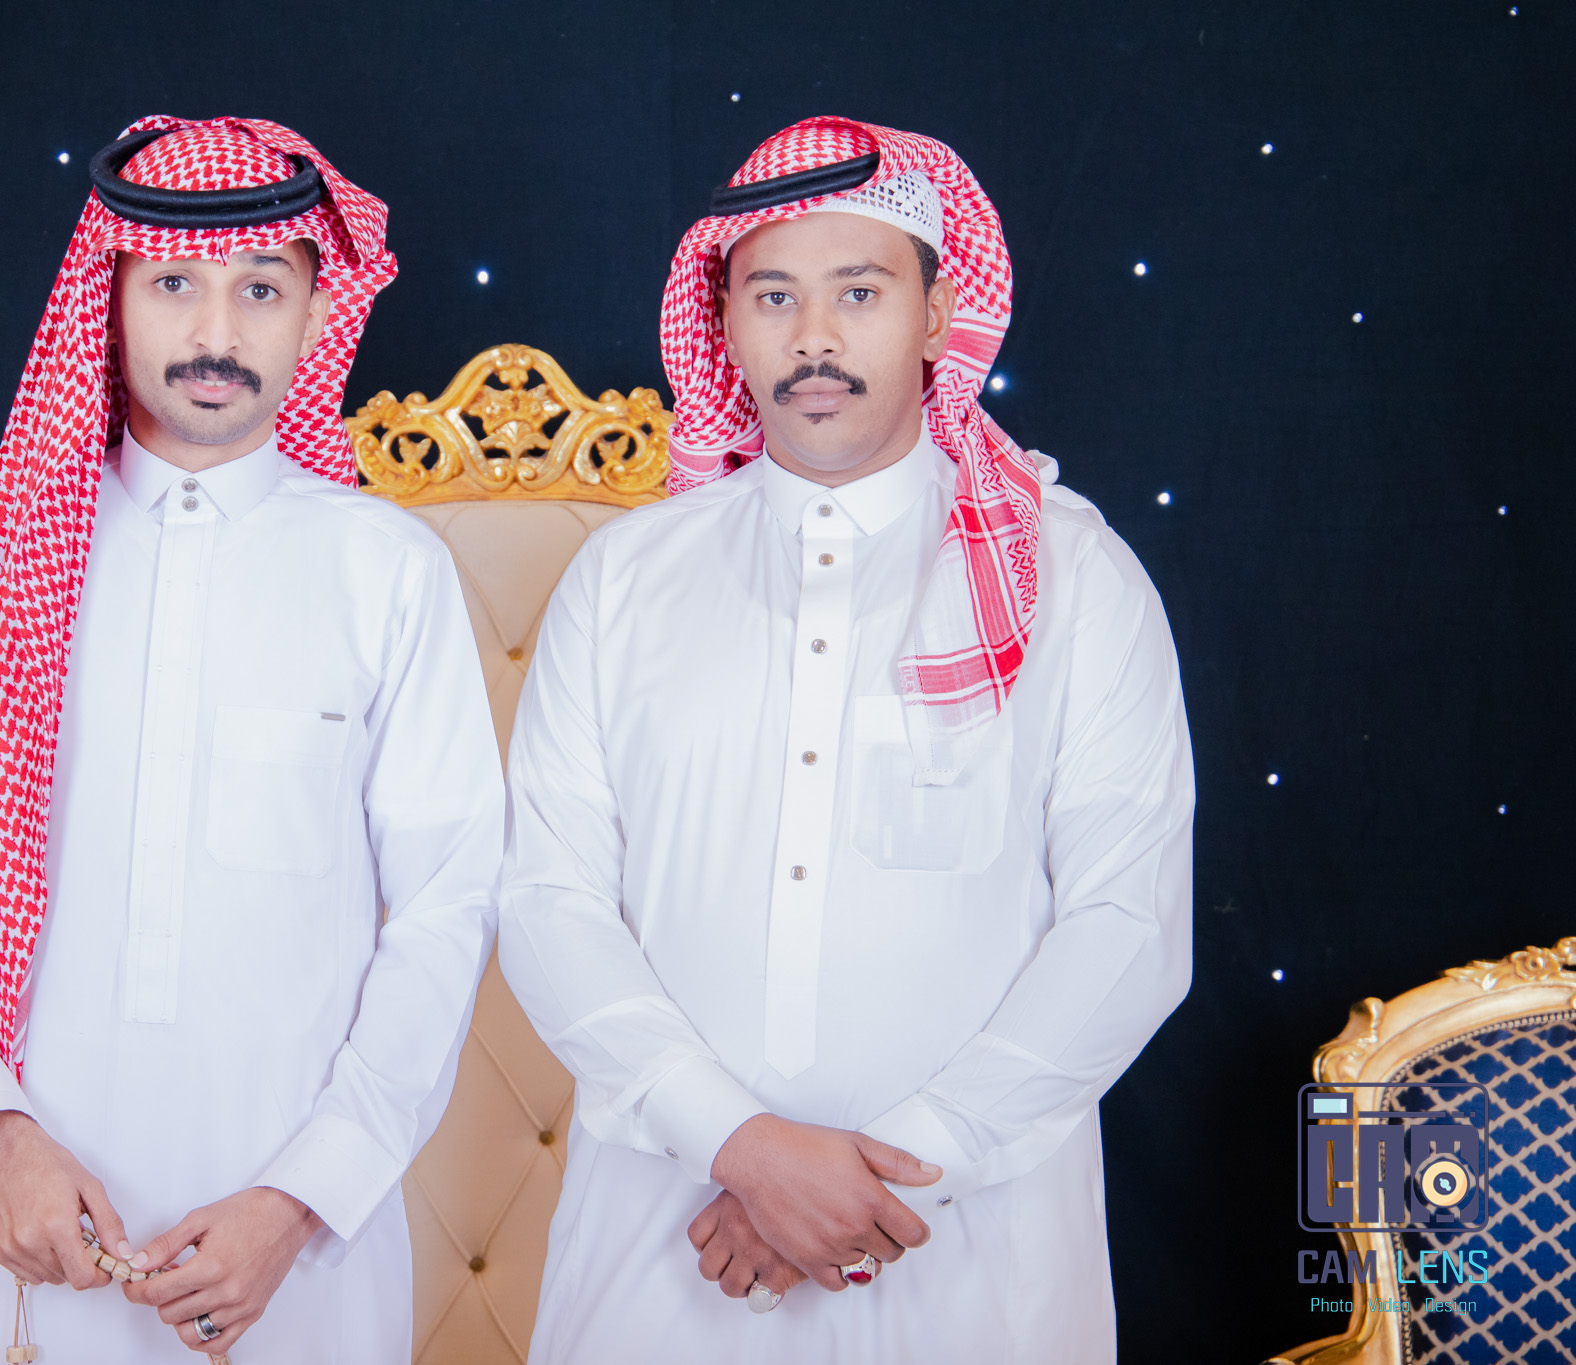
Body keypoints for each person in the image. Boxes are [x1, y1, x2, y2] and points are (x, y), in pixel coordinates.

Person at [499, 115, 1193, 1362]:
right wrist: (737, 1147)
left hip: (969, 1256)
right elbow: (548, 901)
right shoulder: (622, 579)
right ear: (722, 322)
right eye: (773, 296)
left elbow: (1126, 927)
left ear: (936, 314)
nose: (812, 336)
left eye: (858, 292)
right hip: (667, 1237)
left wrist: (899, 1169)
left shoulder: (1075, 576)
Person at [0, 115, 504, 1364]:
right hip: (30, 1216)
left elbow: (445, 909)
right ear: (110, 301)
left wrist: (301, 1198)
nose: (215, 333)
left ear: (316, 312)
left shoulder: (386, 570)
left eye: (260, 290)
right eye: (173, 285)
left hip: (298, 1251)